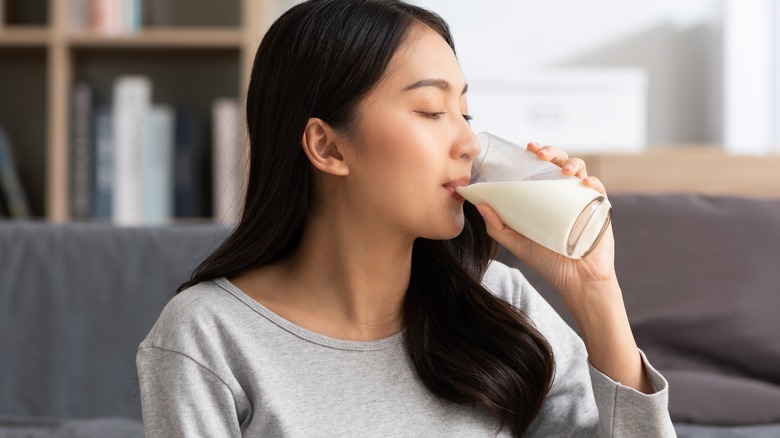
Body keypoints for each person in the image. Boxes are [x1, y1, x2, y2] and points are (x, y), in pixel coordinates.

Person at [136, 0, 675, 436]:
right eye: (432, 111)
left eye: (467, 113)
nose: (468, 142)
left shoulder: (497, 303)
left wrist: (595, 288)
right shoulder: (207, 336)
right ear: (328, 146)